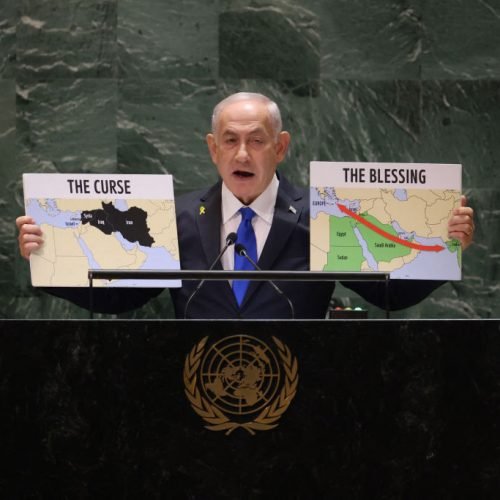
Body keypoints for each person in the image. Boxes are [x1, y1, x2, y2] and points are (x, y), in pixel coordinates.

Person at [16, 92, 475, 319]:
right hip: (197, 393)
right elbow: (123, 296)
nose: (242, 154)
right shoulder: (177, 217)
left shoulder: (323, 215)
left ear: (280, 147)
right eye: (231, 141)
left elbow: (387, 294)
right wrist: (50, 259)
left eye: (256, 141)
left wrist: (442, 248)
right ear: (212, 148)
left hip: (300, 395)